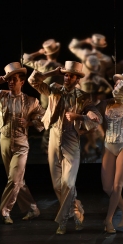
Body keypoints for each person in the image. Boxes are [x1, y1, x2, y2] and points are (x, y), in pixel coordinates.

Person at [29, 61, 102, 234]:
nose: (67, 78)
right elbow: (33, 81)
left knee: (68, 183)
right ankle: (76, 209)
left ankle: (62, 221)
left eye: (71, 76)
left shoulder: (83, 97)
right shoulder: (53, 89)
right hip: (54, 138)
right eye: (66, 75)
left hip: (71, 140)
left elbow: (95, 117)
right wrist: (51, 72)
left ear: (77, 79)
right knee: (57, 185)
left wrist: (82, 116)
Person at [0, 62, 46, 224]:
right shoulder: (1, 95)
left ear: (22, 82)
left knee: (14, 180)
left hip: (21, 143)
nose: (11, 82)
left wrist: (28, 123)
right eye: (9, 80)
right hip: (4, 140)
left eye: (14, 79)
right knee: (16, 180)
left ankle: (5, 211)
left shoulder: (30, 101)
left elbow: (43, 117)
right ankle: (33, 209)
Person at [95, 72, 123, 233]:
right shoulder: (106, 103)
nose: (116, 86)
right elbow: (94, 114)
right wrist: (100, 131)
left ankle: (108, 220)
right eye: (115, 83)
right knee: (107, 187)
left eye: (120, 84)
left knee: (117, 185)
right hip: (109, 145)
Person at [22, 39, 63, 153]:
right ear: (57, 52)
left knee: (47, 120)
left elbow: (24, 59)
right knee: (54, 121)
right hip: (56, 97)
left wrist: (39, 52)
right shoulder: (60, 67)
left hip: (45, 98)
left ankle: (47, 146)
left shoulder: (40, 64)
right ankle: (51, 146)